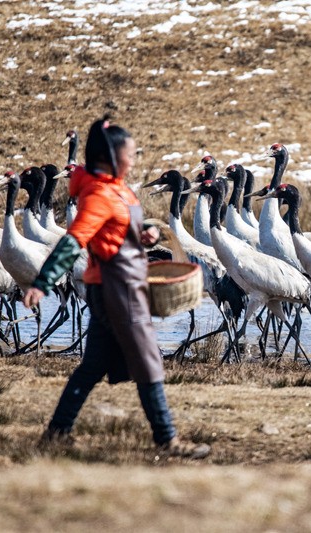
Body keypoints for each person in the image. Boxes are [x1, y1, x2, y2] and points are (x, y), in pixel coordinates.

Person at [23, 116, 210, 459]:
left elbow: (117, 233)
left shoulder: (117, 188)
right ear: (110, 156)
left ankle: (56, 434)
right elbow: (74, 241)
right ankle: (167, 439)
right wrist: (43, 282)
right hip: (117, 290)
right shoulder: (98, 194)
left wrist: (145, 234)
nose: (135, 158)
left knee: (93, 365)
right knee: (147, 360)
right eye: (130, 153)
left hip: (123, 285)